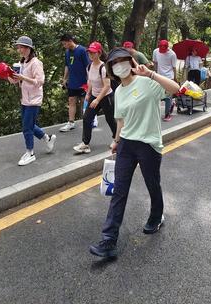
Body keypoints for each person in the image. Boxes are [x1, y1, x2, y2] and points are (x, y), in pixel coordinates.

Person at [89, 47, 180, 259]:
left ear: (130, 62)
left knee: (152, 184)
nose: (119, 65)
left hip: (148, 144)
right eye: (114, 63)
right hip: (127, 145)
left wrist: (150, 73)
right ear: (111, 68)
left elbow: (175, 89)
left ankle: (156, 217)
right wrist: (115, 140)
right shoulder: (118, 91)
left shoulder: (147, 82)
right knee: (119, 191)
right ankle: (108, 241)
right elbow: (121, 120)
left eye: (122, 60)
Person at [8, 36, 56, 166]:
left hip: (34, 100)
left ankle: (30, 153)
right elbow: (16, 81)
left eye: (22, 47)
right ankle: (48, 138)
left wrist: (23, 77)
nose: (20, 50)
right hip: (25, 99)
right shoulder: (22, 63)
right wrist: (9, 75)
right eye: (19, 47)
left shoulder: (36, 63)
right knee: (29, 125)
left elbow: (39, 82)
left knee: (26, 127)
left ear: (29, 48)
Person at [73, 42, 117, 154]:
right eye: (89, 52)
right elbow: (90, 81)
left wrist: (98, 99)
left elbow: (107, 86)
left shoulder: (104, 67)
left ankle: (117, 140)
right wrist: (88, 94)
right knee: (87, 118)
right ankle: (85, 144)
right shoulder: (89, 66)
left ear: (99, 53)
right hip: (94, 95)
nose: (90, 54)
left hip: (106, 97)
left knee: (110, 119)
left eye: (93, 52)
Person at [59, 34, 91, 132]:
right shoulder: (67, 52)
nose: (64, 46)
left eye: (65, 44)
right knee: (71, 101)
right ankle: (71, 122)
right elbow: (67, 66)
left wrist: (90, 80)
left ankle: (89, 120)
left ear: (69, 41)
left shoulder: (82, 50)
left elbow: (88, 66)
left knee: (84, 101)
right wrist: (65, 79)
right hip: (72, 81)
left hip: (83, 81)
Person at [152, 39, 177, 121]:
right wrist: (154, 74)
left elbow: (174, 67)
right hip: (159, 77)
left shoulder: (172, 54)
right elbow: (155, 63)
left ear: (167, 47)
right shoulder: (155, 52)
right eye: (161, 49)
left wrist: (175, 79)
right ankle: (172, 104)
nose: (162, 51)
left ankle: (167, 115)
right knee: (157, 95)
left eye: (164, 49)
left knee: (168, 97)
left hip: (169, 77)